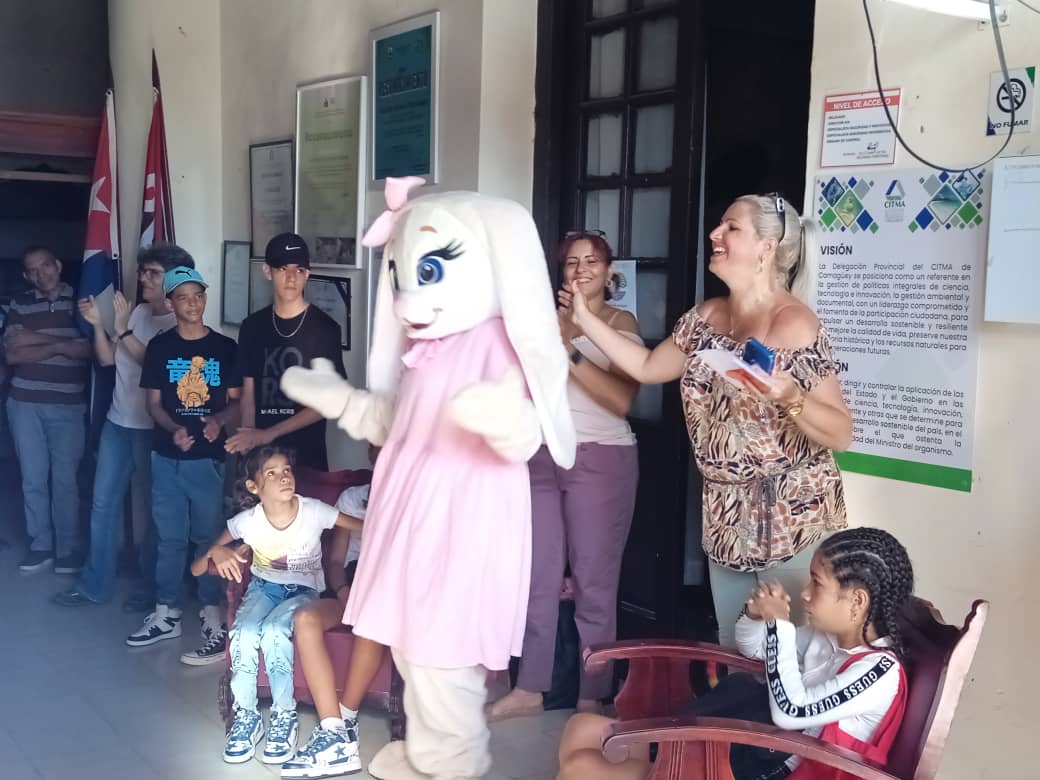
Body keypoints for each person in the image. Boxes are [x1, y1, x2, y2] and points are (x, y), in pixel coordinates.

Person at [280, 180, 576, 780]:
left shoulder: (497, 342)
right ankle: (427, 754)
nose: (410, 297)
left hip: (462, 524)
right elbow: (391, 421)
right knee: (414, 647)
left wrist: (503, 419)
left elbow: (525, 430)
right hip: (410, 520)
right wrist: (340, 400)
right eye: (403, 275)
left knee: (444, 656)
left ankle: (450, 762)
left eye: (432, 269)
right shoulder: (426, 345)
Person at [564, 195, 852, 645]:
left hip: (793, 521)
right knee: (738, 652)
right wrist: (583, 320)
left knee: (792, 661)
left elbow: (840, 432)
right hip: (725, 520)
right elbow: (646, 367)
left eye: (730, 228)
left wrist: (790, 396)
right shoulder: (706, 317)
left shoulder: (795, 324)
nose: (714, 235)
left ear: (766, 247)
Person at [556, 527, 914, 780]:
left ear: (857, 601)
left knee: (581, 769)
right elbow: (754, 648)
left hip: (764, 766)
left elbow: (792, 711)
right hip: (745, 746)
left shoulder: (878, 672)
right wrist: (758, 617)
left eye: (817, 584)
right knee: (581, 728)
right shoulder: (827, 638)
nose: (804, 594)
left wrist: (778, 627)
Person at [489, 231, 640, 721]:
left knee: (595, 584)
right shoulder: (540, 321)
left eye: (591, 261)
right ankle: (530, 686)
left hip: (600, 458)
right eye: (571, 261)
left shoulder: (620, 322)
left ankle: (591, 696)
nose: (580, 270)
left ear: (608, 269)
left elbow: (620, 400)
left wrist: (570, 343)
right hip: (542, 455)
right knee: (537, 575)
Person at [192, 445, 364, 765]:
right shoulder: (246, 522)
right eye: (271, 474)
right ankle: (247, 716)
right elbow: (197, 568)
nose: (284, 477)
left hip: (303, 591)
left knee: (273, 632)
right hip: (263, 589)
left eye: (287, 470)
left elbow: (363, 526)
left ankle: (285, 717)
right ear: (254, 487)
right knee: (243, 632)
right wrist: (217, 553)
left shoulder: (314, 510)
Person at [53, 245, 188, 607]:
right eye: (143, 271)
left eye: (152, 273)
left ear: (174, 280)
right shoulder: (138, 312)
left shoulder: (179, 323)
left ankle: (154, 589)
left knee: (157, 512)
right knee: (102, 505)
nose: (143, 278)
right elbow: (107, 359)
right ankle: (94, 586)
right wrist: (100, 326)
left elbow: (156, 364)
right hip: (118, 423)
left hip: (152, 428)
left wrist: (122, 330)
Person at [126, 266, 241, 666]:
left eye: (198, 296)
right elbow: (153, 404)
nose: (192, 304)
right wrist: (175, 428)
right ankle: (167, 612)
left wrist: (217, 420)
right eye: (183, 297)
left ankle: (212, 613)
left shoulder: (226, 347)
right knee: (170, 537)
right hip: (166, 455)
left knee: (208, 536)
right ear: (171, 303)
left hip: (207, 459)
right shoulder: (160, 347)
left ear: (205, 299)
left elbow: (235, 400)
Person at [282, 445, 385, 779]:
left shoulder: (416, 500)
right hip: (349, 582)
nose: (380, 453)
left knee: (371, 620)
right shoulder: (354, 498)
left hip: (388, 585)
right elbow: (336, 562)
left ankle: (347, 718)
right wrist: (343, 592)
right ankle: (332, 730)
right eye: (375, 447)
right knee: (306, 618)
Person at [5, 247, 92, 574]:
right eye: (33, 270)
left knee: (65, 480)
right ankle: (40, 545)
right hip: (24, 404)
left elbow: (89, 351)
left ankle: (67, 549)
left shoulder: (83, 300)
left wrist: (33, 340)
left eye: (46, 265)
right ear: (27, 276)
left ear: (57, 264)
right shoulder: (20, 303)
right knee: (33, 478)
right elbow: (13, 355)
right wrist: (59, 345)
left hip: (68, 406)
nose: (42, 273)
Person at [225, 233, 345, 471]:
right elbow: (248, 392)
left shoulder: (325, 329)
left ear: (307, 274)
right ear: (267, 271)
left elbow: (330, 402)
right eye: (283, 268)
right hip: (262, 457)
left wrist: (268, 434)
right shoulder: (252, 326)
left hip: (307, 457)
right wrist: (249, 442)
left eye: (299, 270)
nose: (291, 278)